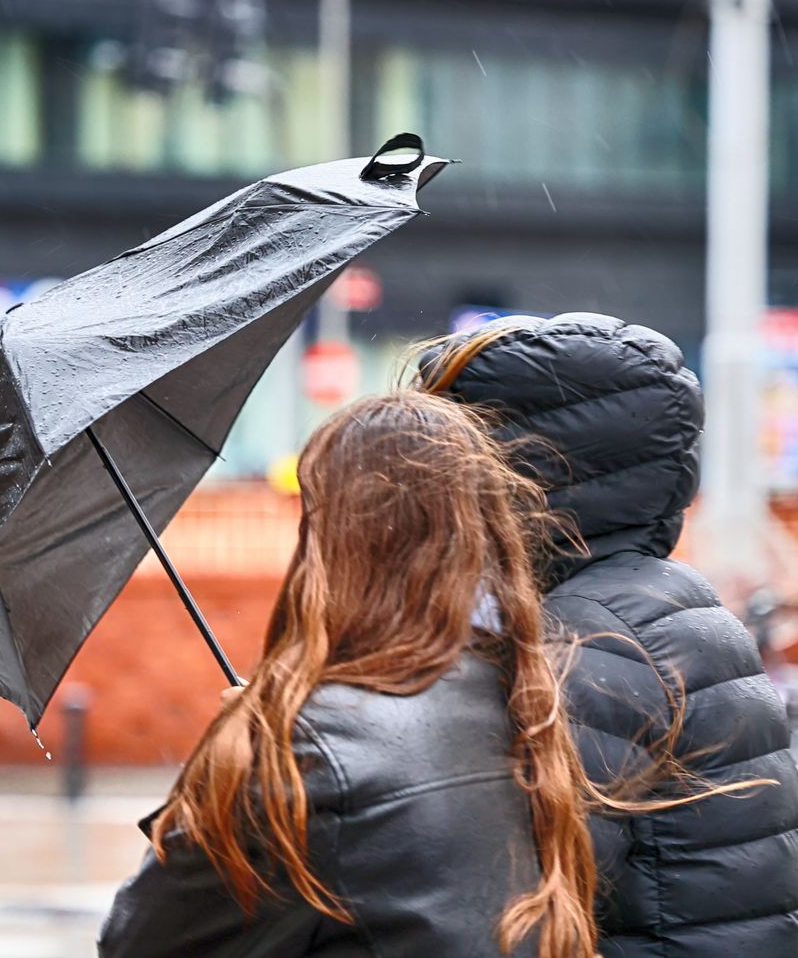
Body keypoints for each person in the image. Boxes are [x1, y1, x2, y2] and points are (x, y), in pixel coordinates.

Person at [98, 391, 761, 958]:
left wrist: (234, 761)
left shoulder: (302, 746)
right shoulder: (525, 696)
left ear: (335, 540)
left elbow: (140, 942)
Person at [417, 312, 798, 956]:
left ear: (519, 471)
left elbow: (517, 889)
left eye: (445, 454)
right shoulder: (653, 599)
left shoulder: (591, 642)